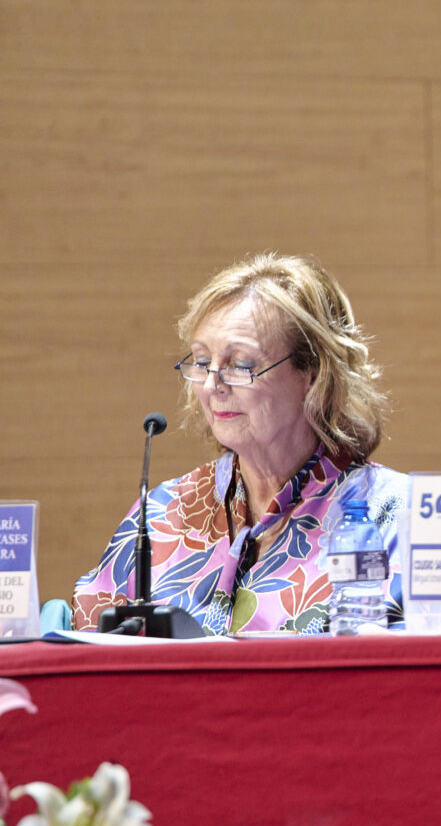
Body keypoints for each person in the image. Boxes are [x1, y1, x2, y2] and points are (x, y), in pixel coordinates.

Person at [73, 254, 409, 634]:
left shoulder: (395, 514)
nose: (213, 384)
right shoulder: (162, 516)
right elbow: (84, 652)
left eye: (242, 365)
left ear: (313, 376)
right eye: (202, 361)